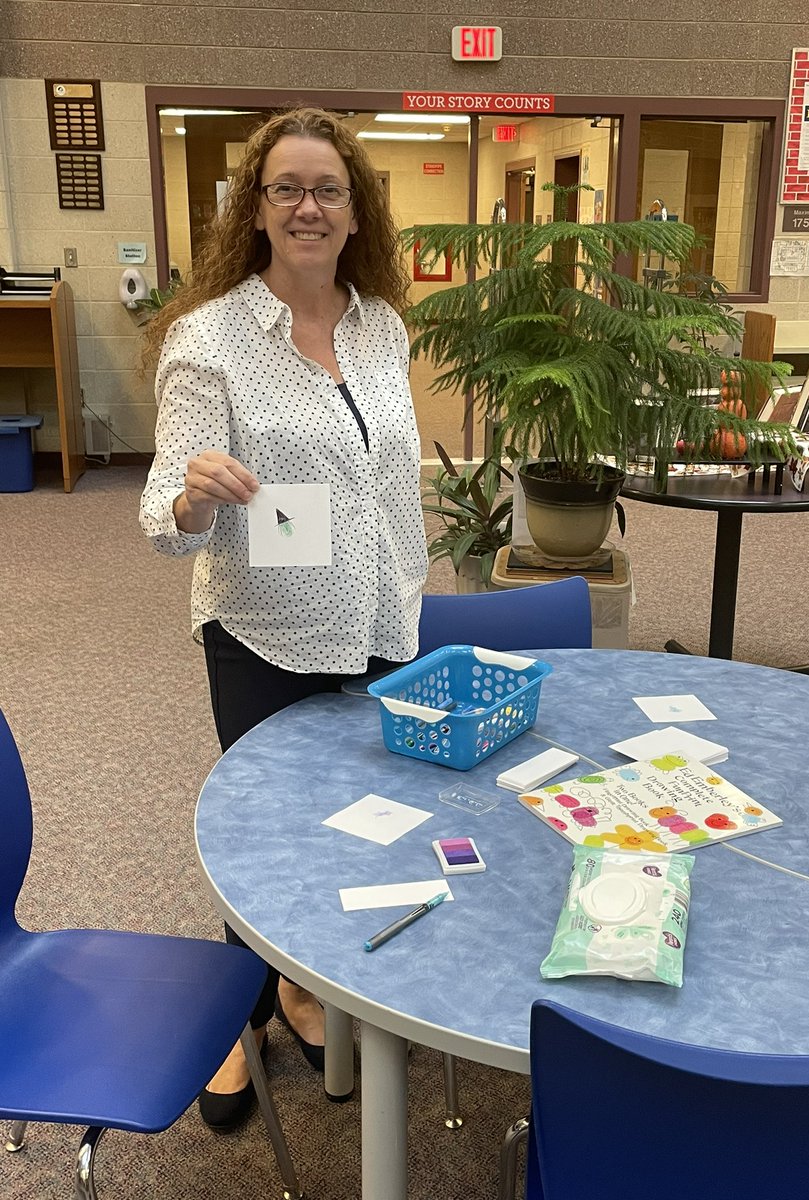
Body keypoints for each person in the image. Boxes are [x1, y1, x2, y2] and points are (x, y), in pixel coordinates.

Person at [139, 107, 428, 1130]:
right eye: (286, 189)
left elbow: (392, 481)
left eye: (328, 190)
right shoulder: (209, 338)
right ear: (256, 210)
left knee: (358, 825)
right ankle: (241, 1008)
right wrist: (193, 498)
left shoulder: (382, 325)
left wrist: (411, 590)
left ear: (356, 212)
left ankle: (305, 988)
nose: (308, 207)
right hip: (264, 631)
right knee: (269, 837)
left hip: (382, 621)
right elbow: (161, 520)